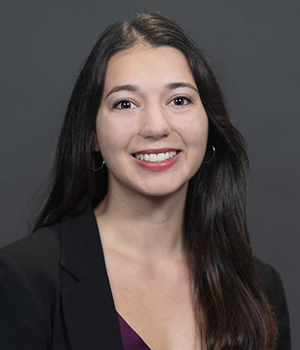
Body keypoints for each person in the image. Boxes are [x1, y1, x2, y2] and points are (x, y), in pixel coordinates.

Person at [0, 11, 291, 350]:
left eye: (179, 100)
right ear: (92, 135)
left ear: (209, 123)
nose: (155, 126)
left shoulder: (259, 285)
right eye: (125, 103)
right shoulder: (26, 278)